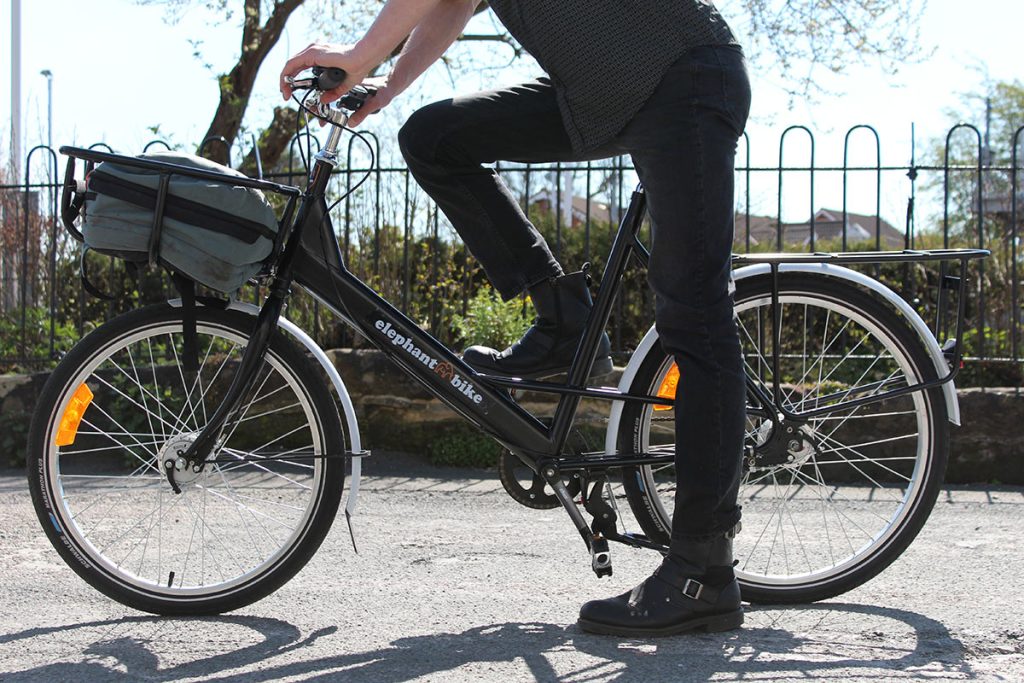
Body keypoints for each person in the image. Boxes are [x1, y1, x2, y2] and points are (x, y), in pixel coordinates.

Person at [281, 0, 751, 637]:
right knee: (433, 138)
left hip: (680, 76)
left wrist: (358, 55)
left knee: (694, 318)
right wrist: (386, 84)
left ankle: (703, 571)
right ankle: (566, 321)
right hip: (601, 90)